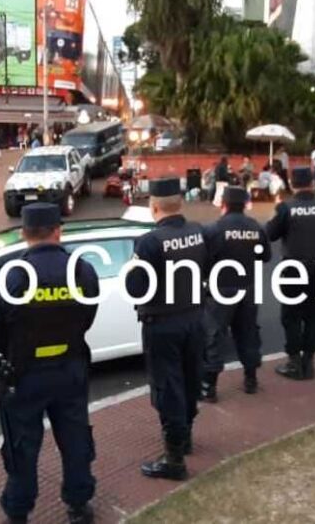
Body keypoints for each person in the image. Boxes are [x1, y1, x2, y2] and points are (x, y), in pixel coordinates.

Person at [0, 203, 98, 524]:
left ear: (23, 233)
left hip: (23, 377)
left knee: (22, 448)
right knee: (75, 440)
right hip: (69, 370)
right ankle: (78, 505)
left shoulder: (11, 277)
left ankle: (18, 511)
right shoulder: (82, 271)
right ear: (58, 231)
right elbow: (87, 317)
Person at [126, 178, 209, 481]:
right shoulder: (198, 232)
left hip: (163, 324)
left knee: (168, 387)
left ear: (154, 206)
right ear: (180, 203)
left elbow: (136, 287)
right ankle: (184, 436)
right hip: (194, 318)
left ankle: (174, 459)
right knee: (189, 380)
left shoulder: (149, 242)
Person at [266, 167, 315, 380]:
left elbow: (270, 234)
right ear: (312, 182)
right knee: (314, 313)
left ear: (292, 182)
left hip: (293, 268)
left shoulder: (285, 208)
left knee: (291, 314)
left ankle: (294, 361)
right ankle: (309, 361)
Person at [200, 187, 271, 402]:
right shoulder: (256, 228)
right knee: (248, 333)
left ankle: (209, 388)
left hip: (220, 290)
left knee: (213, 336)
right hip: (248, 288)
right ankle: (251, 380)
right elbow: (266, 256)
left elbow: (203, 261)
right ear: (244, 204)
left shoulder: (213, 229)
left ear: (224, 204)